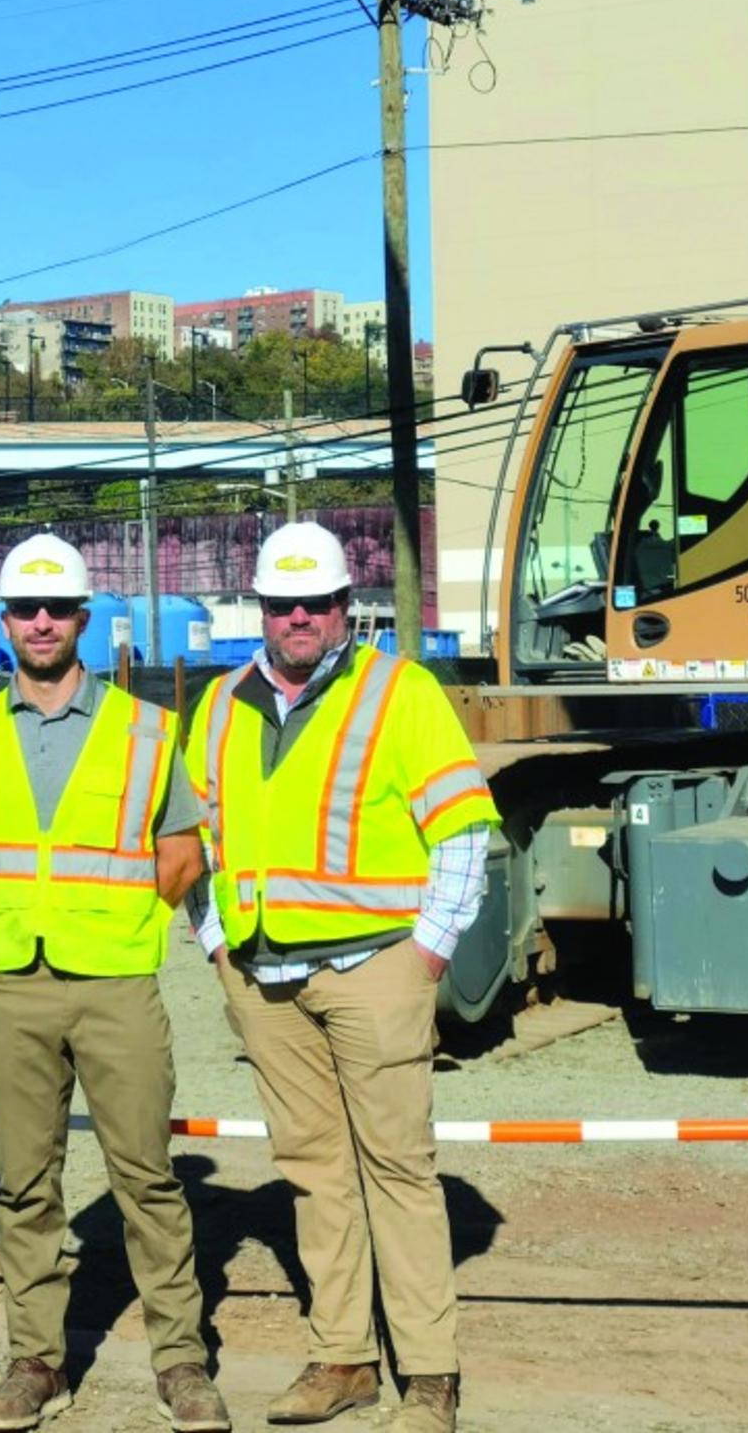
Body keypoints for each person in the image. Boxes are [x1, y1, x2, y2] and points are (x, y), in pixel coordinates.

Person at [185, 525, 499, 1433]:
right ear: (259, 607)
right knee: (315, 1173)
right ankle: (343, 1358)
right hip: (263, 976)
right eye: (281, 604)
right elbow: (193, 844)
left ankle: (431, 1378)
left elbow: (462, 831)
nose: (297, 619)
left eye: (314, 604)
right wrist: (214, 945)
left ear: (344, 607)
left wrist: (427, 954)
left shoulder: (399, 692)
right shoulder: (219, 704)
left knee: (398, 1171)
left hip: (376, 968)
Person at [0, 535, 225, 1433]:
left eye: (58, 608)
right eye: (27, 608)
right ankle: (36, 1363)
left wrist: (118, 920)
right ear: (5, 621)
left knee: (146, 1178)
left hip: (116, 984)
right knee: (24, 1186)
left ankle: (181, 1362)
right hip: (14, 982)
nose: (42, 622)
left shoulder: (143, 729)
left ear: (84, 620)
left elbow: (182, 853)